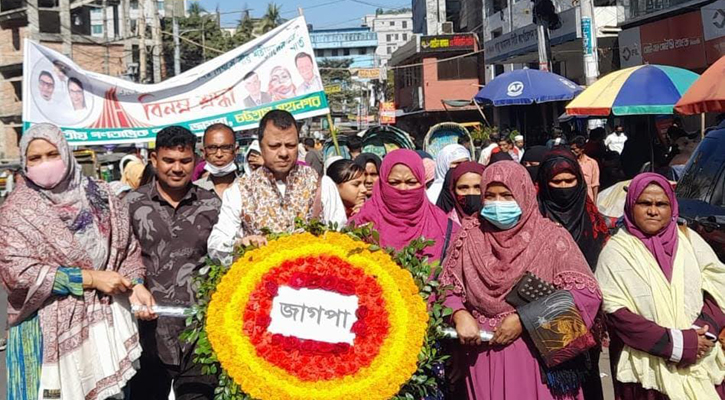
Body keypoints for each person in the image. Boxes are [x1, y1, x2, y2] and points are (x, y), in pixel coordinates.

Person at [0, 123, 155, 400]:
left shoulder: (102, 196)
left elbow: (127, 248)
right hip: (43, 331)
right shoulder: (15, 210)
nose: (45, 164)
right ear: (24, 163)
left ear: (66, 153)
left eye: (52, 154)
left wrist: (137, 283)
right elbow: (17, 271)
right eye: (35, 158)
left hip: (105, 324)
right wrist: (91, 278)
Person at [440, 160, 602, 400]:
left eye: (507, 195)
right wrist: (459, 314)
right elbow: (446, 288)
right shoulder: (469, 237)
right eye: (490, 196)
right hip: (483, 356)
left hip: (538, 355)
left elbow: (586, 294)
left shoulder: (551, 238)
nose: (497, 203)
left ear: (524, 194)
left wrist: (524, 319)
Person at [595, 173, 725, 400]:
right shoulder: (616, 251)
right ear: (631, 204)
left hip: (700, 359)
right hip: (647, 372)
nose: (653, 211)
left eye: (661, 204)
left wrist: (701, 332)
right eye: (645, 203)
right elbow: (615, 312)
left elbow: (719, 283)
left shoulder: (689, 240)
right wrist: (676, 344)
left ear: (672, 206)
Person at [127, 126, 221, 399]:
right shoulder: (131, 205)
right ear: (154, 159)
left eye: (185, 161)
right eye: (169, 160)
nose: (177, 168)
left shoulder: (211, 205)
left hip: (198, 336)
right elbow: (118, 258)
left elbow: (223, 259)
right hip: (146, 335)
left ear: (196, 159)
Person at [207, 110, 319, 266]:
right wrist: (240, 244)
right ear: (260, 146)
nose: (284, 153)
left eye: (291, 145)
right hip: (259, 282)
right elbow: (217, 243)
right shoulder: (241, 189)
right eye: (274, 146)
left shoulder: (320, 184)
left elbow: (340, 237)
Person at [349, 149, 455, 263]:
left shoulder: (445, 228)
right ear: (382, 183)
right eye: (394, 182)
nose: (403, 189)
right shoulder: (360, 225)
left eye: (411, 182)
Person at [194, 123, 240, 198]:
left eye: (226, 147)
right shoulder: (193, 192)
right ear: (203, 152)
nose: (219, 154)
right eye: (212, 148)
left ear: (236, 150)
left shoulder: (250, 187)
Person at [319, 159, 367, 228]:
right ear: (335, 186)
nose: (364, 190)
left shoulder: (369, 211)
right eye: (356, 185)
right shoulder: (323, 216)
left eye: (364, 183)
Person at [435, 161, 485, 225]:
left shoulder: (496, 223)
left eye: (478, 187)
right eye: (463, 188)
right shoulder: (444, 225)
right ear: (453, 191)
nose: (471, 193)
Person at [570, 136, 600, 200]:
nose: (572, 151)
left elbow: (595, 184)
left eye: (574, 149)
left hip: (588, 199)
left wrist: (594, 202)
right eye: (571, 149)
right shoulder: (569, 163)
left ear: (582, 149)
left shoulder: (592, 163)